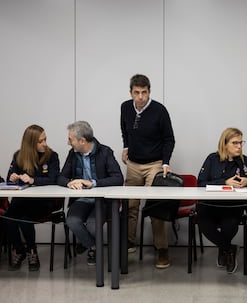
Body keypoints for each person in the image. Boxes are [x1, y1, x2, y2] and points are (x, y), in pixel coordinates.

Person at [120, 74, 175, 268]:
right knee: (130, 205)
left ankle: (162, 249)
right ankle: (129, 241)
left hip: (155, 163)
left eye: (144, 92)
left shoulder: (159, 110)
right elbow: (124, 129)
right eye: (137, 92)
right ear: (131, 93)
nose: (141, 96)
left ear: (149, 92)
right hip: (133, 164)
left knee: (155, 207)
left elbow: (169, 138)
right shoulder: (125, 107)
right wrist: (126, 146)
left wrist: (166, 162)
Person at [58, 121, 124, 266]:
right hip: (81, 199)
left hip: (102, 201)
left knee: (93, 225)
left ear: (82, 141)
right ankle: (93, 246)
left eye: (70, 139)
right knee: (72, 221)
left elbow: (118, 178)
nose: (68, 143)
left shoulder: (105, 152)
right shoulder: (73, 154)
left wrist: (94, 183)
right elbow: (61, 177)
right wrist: (69, 182)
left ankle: (89, 244)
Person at [197, 127, 247, 274]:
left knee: (229, 225)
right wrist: (225, 182)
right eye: (235, 143)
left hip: (233, 205)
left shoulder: (244, 161)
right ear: (224, 144)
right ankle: (229, 248)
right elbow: (201, 182)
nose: (239, 146)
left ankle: (225, 250)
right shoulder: (212, 159)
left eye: (241, 143)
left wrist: (246, 181)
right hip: (210, 205)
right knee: (204, 223)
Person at [5, 125, 60, 271]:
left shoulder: (52, 156)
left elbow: (54, 179)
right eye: (41, 141)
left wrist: (32, 180)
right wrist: (13, 178)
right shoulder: (18, 156)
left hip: (42, 202)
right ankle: (19, 250)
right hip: (22, 200)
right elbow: (8, 180)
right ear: (30, 144)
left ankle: (32, 251)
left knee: (24, 219)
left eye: (45, 139)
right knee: (8, 218)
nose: (45, 144)